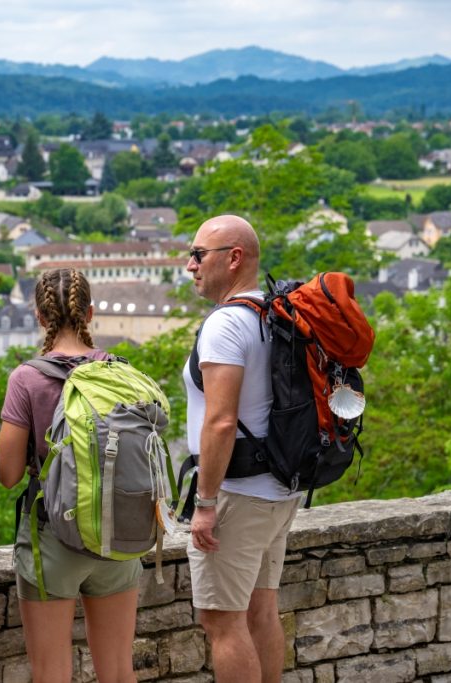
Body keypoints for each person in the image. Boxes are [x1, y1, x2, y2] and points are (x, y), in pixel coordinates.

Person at [0, 268, 140, 683]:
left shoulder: (27, 378)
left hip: (52, 538)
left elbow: (7, 475)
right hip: (116, 533)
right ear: (90, 313)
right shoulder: (119, 371)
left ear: (40, 317)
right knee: (117, 671)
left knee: (51, 673)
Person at [184, 214, 303, 683]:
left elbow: (220, 421)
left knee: (222, 622)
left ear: (234, 259)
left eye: (198, 255)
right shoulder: (276, 315)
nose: (190, 266)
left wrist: (205, 503)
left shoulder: (225, 326)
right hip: (279, 489)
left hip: (237, 493)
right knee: (261, 610)